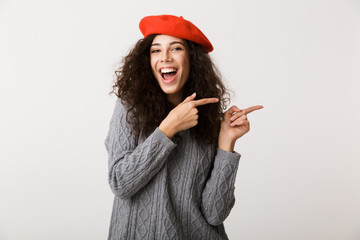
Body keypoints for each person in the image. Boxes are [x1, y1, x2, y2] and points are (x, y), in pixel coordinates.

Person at [105, 15, 263, 240]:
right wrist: (168, 129)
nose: (165, 57)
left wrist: (226, 143)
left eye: (176, 48)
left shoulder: (208, 118)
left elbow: (215, 214)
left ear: (192, 59)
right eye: (156, 50)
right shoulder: (130, 107)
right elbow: (120, 183)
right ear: (147, 60)